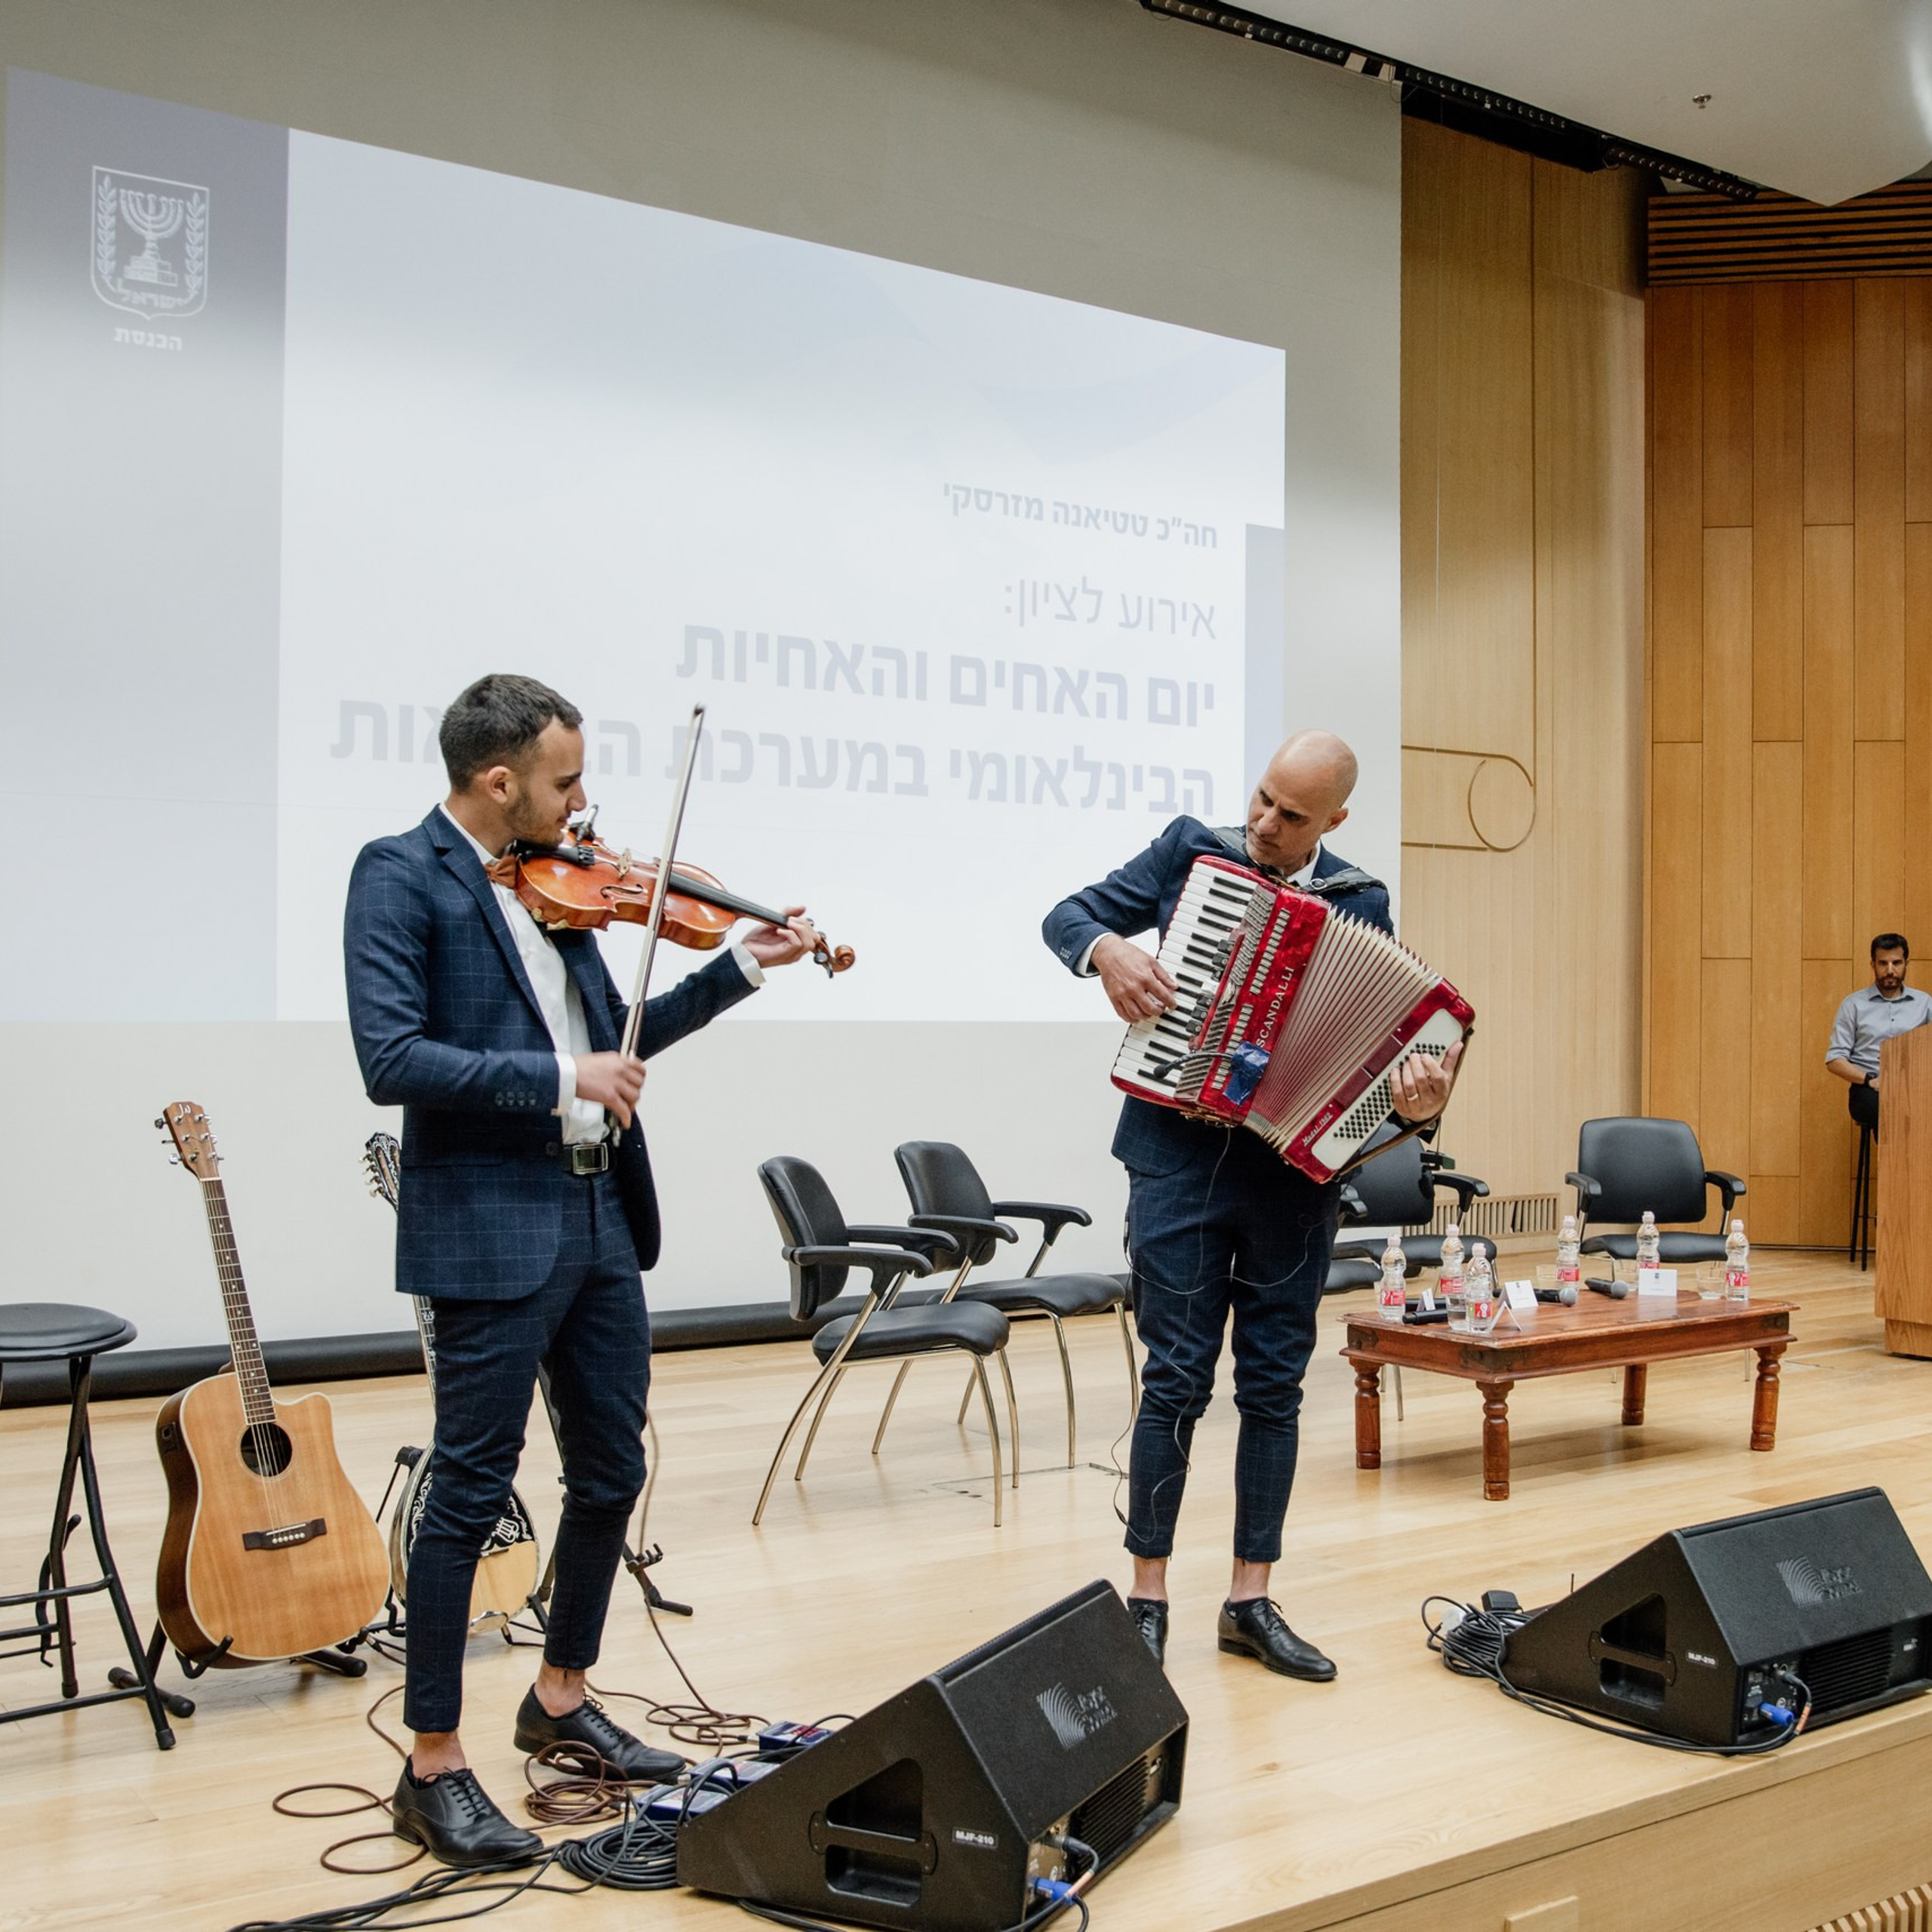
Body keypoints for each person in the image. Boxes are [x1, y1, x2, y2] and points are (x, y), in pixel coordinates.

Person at [344, 674, 817, 1866]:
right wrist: (564, 1083)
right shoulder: (401, 875)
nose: (584, 800)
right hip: (490, 1224)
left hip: (599, 1214)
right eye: (565, 781)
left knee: (611, 1468)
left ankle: (560, 1698)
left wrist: (742, 969)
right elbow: (391, 1055)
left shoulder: (556, 895)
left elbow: (615, 1042)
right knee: (469, 1486)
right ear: (498, 783)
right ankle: (434, 1761)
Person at [1042, 729, 1459, 1682]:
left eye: (1293, 815)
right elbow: (1065, 915)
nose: (1266, 824)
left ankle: (1249, 1601)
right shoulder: (1192, 852)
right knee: (1177, 1378)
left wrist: (1416, 1106)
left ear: (1336, 822)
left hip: (1289, 1181)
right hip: (1177, 1161)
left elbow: (1372, 1062)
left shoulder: (1361, 902)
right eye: (1263, 799)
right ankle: (1145, 1598)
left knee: (1273, 1387)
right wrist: (1106, 950)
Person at [1826, 933, 1932, 1137]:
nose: (1890, 970)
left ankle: (1915, 1165)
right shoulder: (1853, 1005)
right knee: (1889, 1109)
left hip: (1915, 1088)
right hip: (1870, 1088)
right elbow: (1834, 1059)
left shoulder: (1925, 1004)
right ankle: (1899, 1166)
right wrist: (1869, 1079)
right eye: (1883, 963)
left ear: (1906, 963)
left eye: (1896, 963)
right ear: (1873, 964)